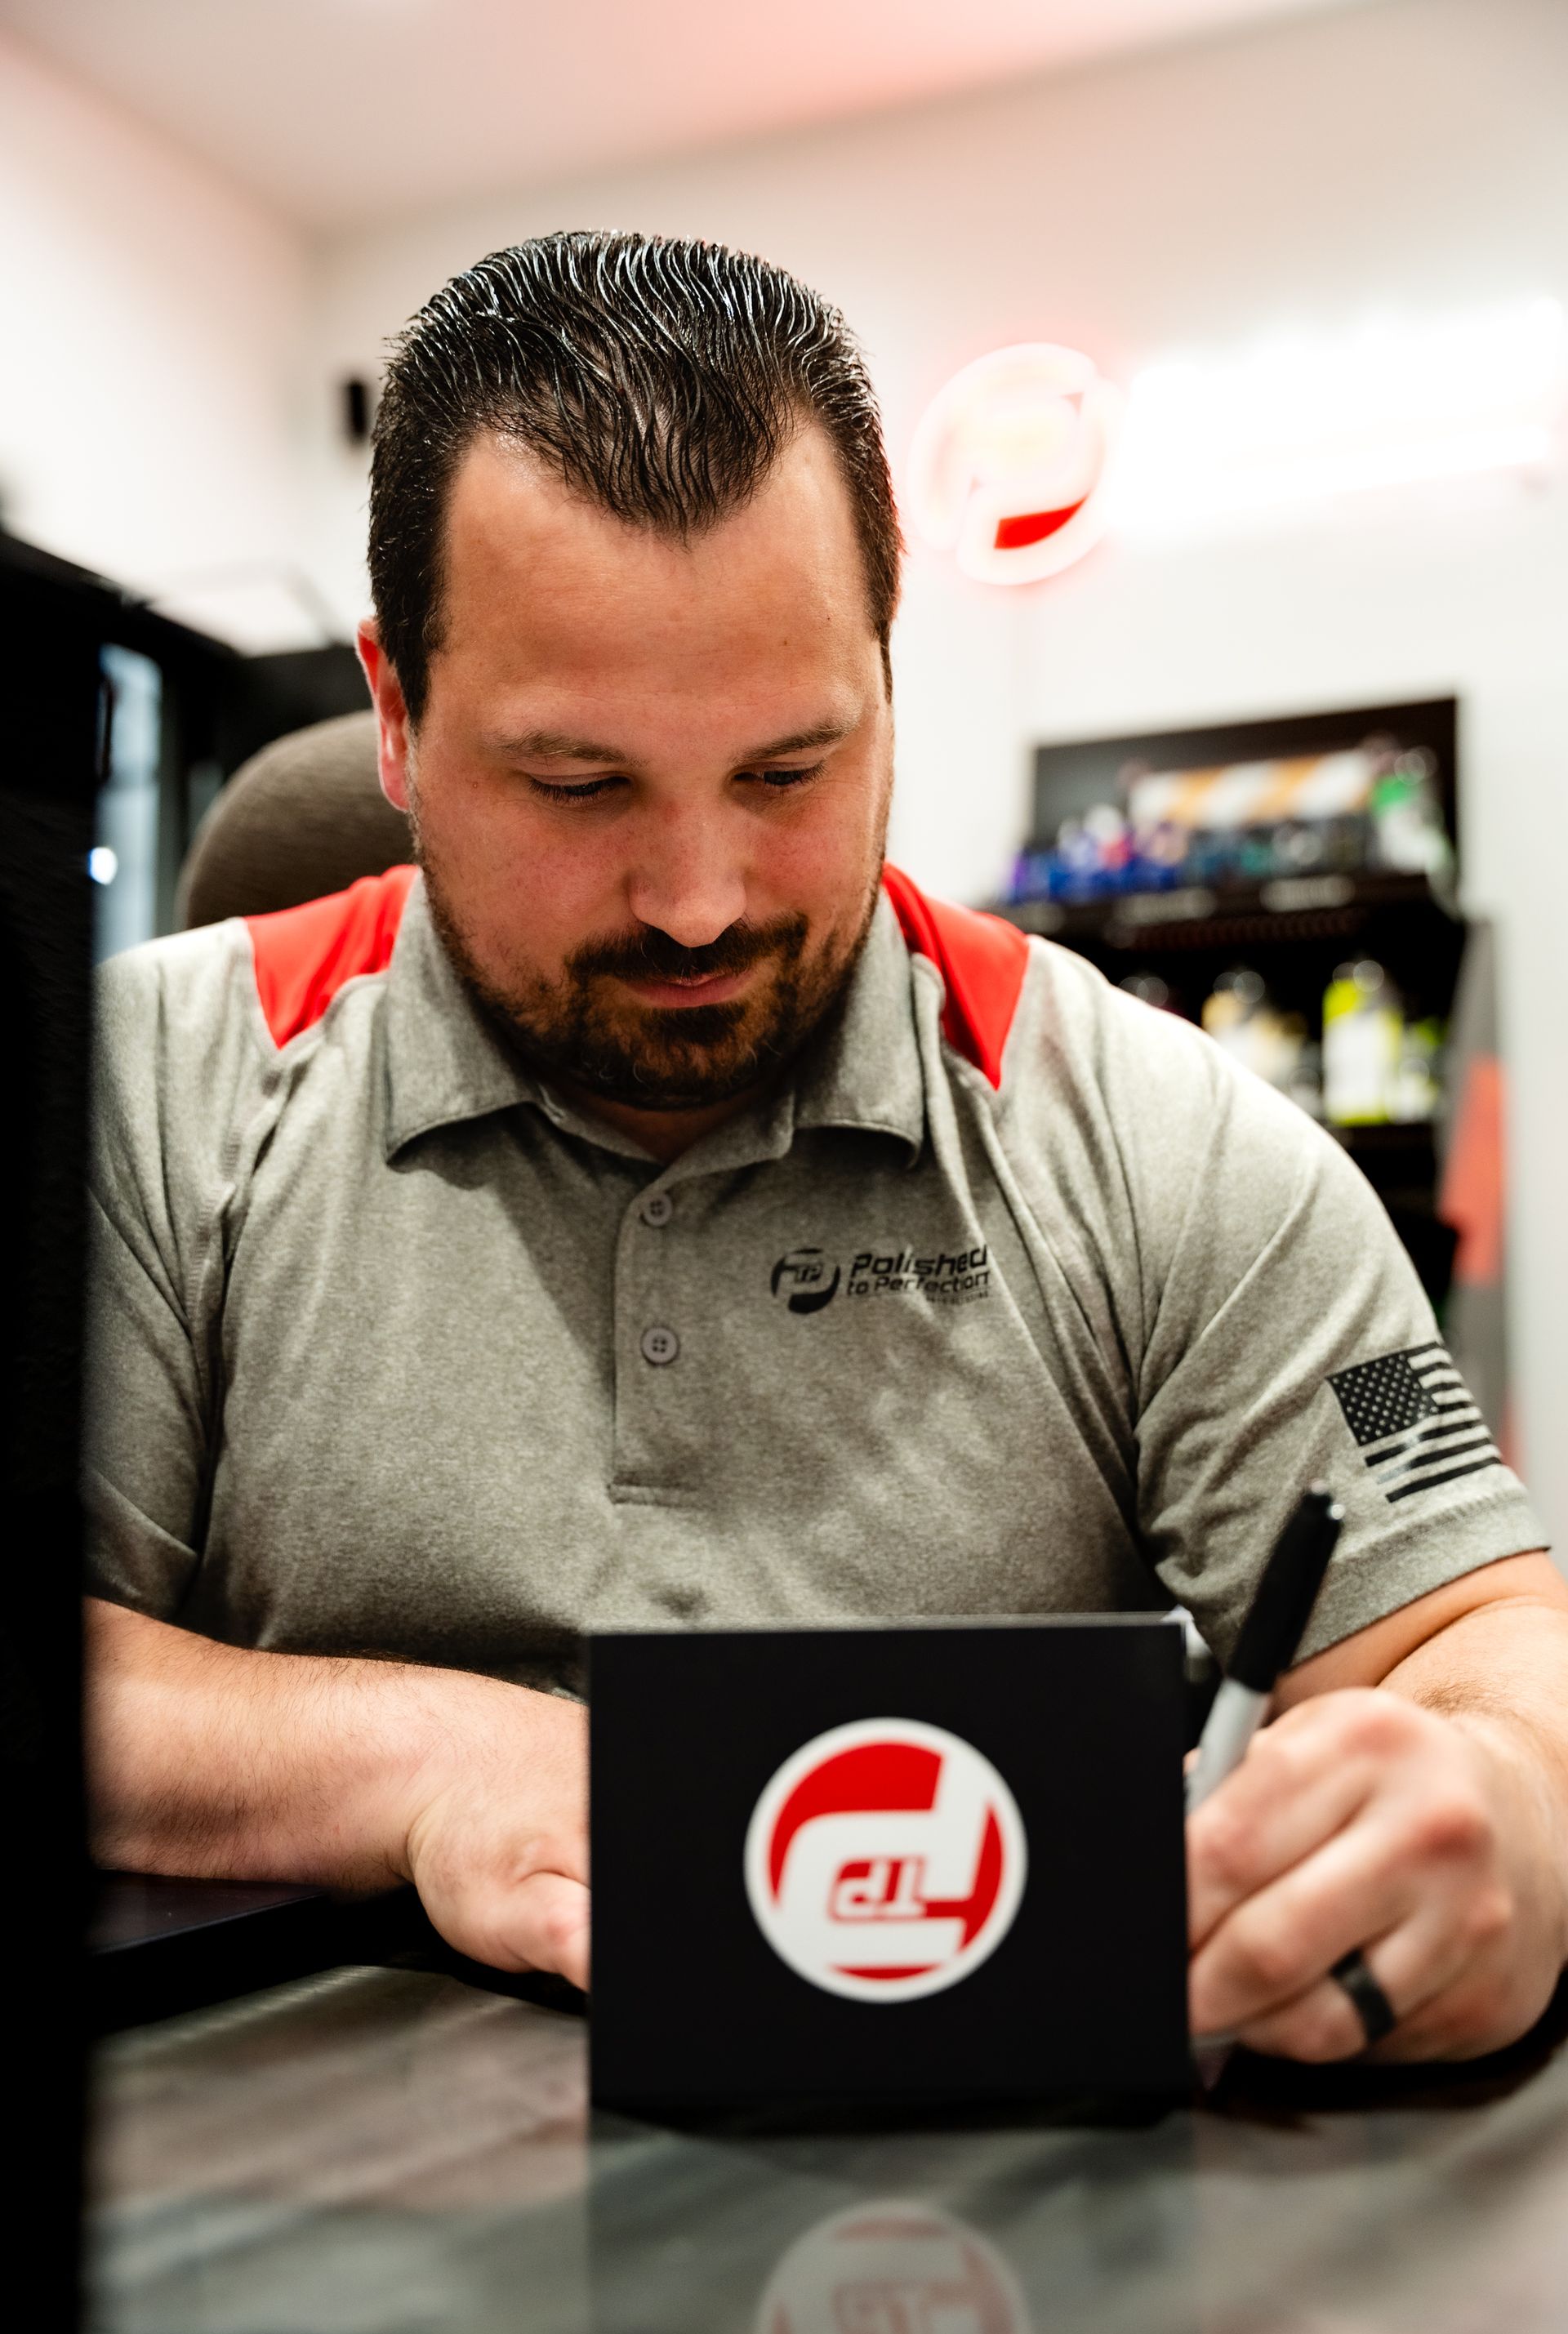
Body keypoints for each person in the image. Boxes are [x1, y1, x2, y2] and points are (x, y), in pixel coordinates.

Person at [87, 231, 1568, 2061]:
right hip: (313, 2186)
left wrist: (1500, 1803)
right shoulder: (148, 1092)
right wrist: (438, 1757)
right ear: (395, 714)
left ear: (886, 672)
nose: (700, 902)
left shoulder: (1163, 1143)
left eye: (789, 770)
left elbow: (1477, 1637)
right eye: (580, 784)